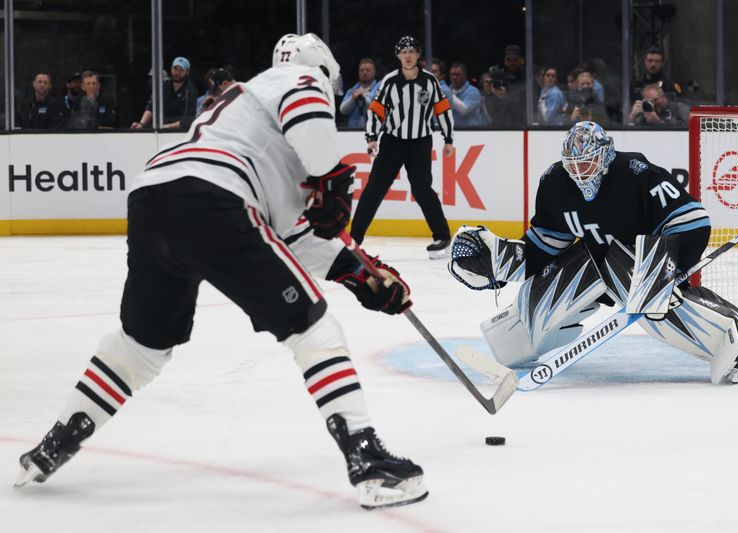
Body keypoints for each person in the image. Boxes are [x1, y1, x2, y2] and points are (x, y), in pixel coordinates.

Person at [16, 33, 427, 511]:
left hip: (155, 199)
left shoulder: (250, 117)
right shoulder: (297, 79)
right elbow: (307, 120)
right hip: (213, 197)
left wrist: (359, 274)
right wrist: (335, 181)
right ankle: (369, 461)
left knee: (142, 346)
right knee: (313, 327)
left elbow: (286, 236)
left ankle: (53, 445)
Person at [448, 121, 738, 386]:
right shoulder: (554, 183)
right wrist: (499, 261)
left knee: (650, 301)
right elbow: (545, 247)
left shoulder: (637, 173)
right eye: (573, 165)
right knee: (534, 316)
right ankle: (521, 331)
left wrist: (670, 268)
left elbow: (693, 222)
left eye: (587, 163)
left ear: (604, 157)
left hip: (643, 260)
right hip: (598, 262)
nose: (580, 173)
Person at [353, 35, 454, 259]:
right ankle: (354, 239)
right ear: (398, 56)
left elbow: (442, 109)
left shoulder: (430, 81)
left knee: (422, 189)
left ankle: (442, 236)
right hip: (392, 141)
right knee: (374, 189)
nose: (407, 55)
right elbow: (377, 110)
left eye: (412, 51)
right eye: (403, 51)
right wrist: (371, 137)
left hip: (420, 142)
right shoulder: (389, 81)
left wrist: (448, 139)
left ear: (418, 55)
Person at [131, 56, 198, 129]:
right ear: (171, 69)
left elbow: (188, 120)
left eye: (181, 70)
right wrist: (141, 124)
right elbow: (151, 108)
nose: (177, 73)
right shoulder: (163, 86)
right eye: (175, 69)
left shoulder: (190, 91)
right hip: (159, 128)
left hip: (179, 131)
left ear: (187, 72)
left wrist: (166, 127)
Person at [481, 44, 527, 127]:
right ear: (505, 61)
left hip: (521, 128)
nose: (512, 63)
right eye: (509, 60)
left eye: (515, 60)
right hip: (499, 128)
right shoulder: (500, 79)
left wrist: (506, 97)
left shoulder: (529, 80)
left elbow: (524, 110)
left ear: (522, 60)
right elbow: (491, 114)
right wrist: (489, 94)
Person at [338, 58, 379, 128]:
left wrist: (363, 97)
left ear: (374, 72)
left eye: (368, 70)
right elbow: (342, 110)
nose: (364, 72)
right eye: (362, 70)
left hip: (374, 131)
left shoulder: (380, 87)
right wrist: (352, 99)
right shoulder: (352, 90)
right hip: (353, 132)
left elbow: (379, 109)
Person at [447, 62, 482, 127]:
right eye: (452, 74)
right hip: (451, 132)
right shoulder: (447, 90)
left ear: (465, 75)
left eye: (458, 75)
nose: (454, 77)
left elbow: (464, 111)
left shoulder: (473, 91)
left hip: (469, 132)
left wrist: (448, 94)